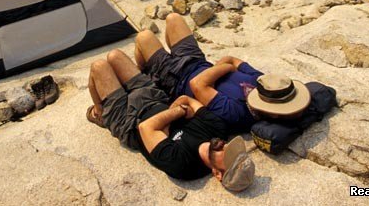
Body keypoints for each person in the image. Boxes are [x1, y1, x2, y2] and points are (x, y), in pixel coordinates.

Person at [86, 49, 255, 191]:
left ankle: (100, 113)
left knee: (98, 66)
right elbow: (186, 100)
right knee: (115, 56)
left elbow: (145, 128)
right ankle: (109, 103)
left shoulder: (183, 165)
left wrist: (178, 112)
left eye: (228, 156)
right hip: (154, 98)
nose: (226, 146)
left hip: (128, 121)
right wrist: (173, 115)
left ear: (218, 173)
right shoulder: (219, 129)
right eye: (233, 148)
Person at [134, 13, 265, 132]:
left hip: (176, 79)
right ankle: (163, 58)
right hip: (196, 60)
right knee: (173, 18)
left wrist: (226, 68)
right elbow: (230, 59)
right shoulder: (264, 84)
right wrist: (222, 69)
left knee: (144, 36)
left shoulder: (238, 113)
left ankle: (145, 71)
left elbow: (196, 83)